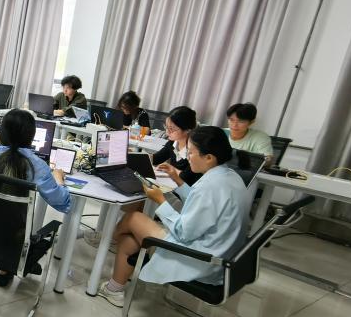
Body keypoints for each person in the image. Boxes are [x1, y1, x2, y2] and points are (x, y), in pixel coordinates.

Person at [97, 126, 251, 307]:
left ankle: (105, 240)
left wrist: (160, 200)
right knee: (130, 239)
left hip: (200, 259)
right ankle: (114, 288)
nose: (187, 157)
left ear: (209, 157)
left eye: (191, 153)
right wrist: (177, 180)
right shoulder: (229, 177)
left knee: (134, 218)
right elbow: (202, 205)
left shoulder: (210, 186)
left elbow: (183, 232)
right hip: (218, 255)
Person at [0, 109, 72, 287]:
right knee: (10, 218)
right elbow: (61, 201)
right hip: (11, 235)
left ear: (1, 132)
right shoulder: (37, 166)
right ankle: (4, 268)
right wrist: (59, 180)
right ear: (31, 137)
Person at [154, 106, 201, 187]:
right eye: (166, 127)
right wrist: (137, 156)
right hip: (172, 185)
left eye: (171, 129)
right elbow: (157, 158)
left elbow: (186, 178)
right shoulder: (173, 142)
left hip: (186, 190)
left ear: (187, 130)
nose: (167, 132)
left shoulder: (194, 151)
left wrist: (170, 169)